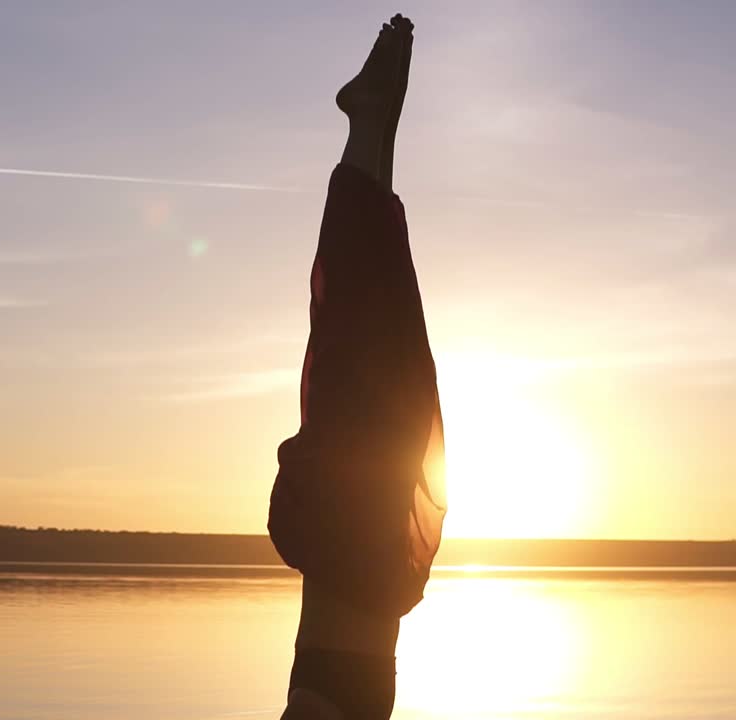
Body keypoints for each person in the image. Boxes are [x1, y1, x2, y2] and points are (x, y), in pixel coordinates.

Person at [269, 14, 447, 720]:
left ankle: (372, 127)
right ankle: (375, 128)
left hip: (350, 553)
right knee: (387, 361)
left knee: (362, 345)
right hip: (361, 615)